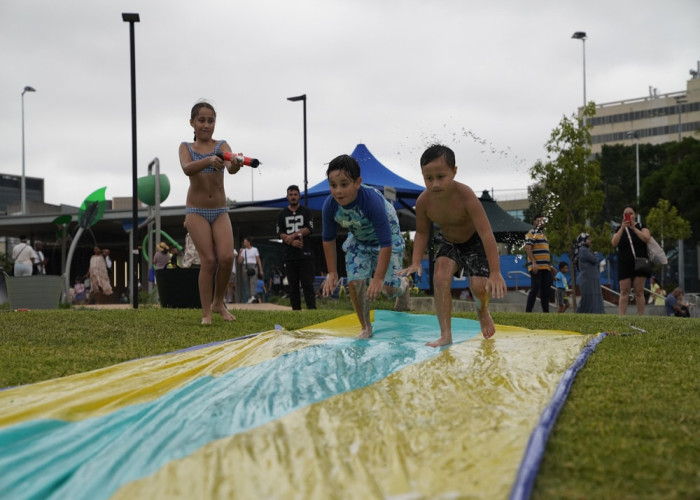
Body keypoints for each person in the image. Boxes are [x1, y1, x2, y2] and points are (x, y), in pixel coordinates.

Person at [399, 144, 506, 346]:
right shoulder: (423, 201)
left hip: (474, 240)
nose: (435, 184)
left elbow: (486, 233)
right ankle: (445, 334)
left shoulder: (465, 195)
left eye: (441, 177)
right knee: (439, 278)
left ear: (454, 171)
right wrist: (415, 261)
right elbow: (422, 232)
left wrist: (495, 272)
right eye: (428, 179)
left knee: (478, 287)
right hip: (449, 241)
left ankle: (482, 312)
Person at [321, 154, 410, 339]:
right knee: (355, 282)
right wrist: (332, 273)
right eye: (333, 185)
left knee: (388, 289)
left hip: (386, 237)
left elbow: (386, 243)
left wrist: (377, 278)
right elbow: (328, 239)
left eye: (344, 184)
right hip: (360, 239)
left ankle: (404, 285)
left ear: (357, 182)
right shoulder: (330, 206)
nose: (338, 191)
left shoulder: (371, 202)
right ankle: (365, 327)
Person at [179, 101, 242, 324]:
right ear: (192, 123)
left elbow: (231, 167)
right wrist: (208, 160)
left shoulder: (221, 145)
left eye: (211, 120)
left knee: (226, 258)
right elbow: (187, 168)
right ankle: (207, 313)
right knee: (208, 261)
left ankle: (218, 303)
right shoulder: (186, 147)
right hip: (196, 211)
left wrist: (234, 162)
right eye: (201, 120)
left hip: (219, 210)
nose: (206, 125)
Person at [276, 184, 317, 310]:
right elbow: (280, 232)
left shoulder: (306, 211)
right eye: (291, 195)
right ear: (287, 197)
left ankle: (312, 310)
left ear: (299, 196)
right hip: (289, 256)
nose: (293, 197)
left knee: (307, 285)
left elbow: (309, 229)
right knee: (292, 286)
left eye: (295, 194)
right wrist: (290, 242)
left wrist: (293, 236)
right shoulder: (282, 214)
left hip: (305, 255)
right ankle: (296, 311)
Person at [611, 205, 651, 315]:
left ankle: (640, 315)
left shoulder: (642, 226)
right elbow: (614, 243)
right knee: (624, 291)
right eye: (625, 214)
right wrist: (623, 227)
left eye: (631, 213)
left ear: (635, 215)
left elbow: (646, 238)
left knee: (639, 291)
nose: (628, 215)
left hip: (640, 261)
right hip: (624, 262)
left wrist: (634, 228)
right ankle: (621, 316)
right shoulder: (619, 229)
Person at [525, 215, 552, 313]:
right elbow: (528, 247)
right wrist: (533, 262)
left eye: (542, 220)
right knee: (535, 289)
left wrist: (550, 266)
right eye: (538, 220)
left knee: (546, 290)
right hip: (536, 266)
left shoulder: (544, 235)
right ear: (534, 222)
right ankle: (528, 311)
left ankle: (546, 312)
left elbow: (545, 252)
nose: (541, 222)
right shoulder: (532, 233)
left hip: (546, 267)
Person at [573, 233, 604, 314]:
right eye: (588, 239)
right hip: (587, 278)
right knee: (588, 298)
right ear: (583, 241)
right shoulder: (583, 250)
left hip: (590, 278)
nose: (590, 241)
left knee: (593, 297)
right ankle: (581, 314)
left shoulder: (585, 250)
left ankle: (596, 313)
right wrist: (596, 255)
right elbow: (594, 260)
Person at [238, 236, 263, 304]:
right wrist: (240, 253)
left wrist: (261, 269)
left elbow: (258, 259)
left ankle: (253, 296)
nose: (244, 243)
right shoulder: (243, 251)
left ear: (249, 242)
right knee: (247, 283)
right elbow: (239, 261)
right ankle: (250, 297)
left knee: (253, 282)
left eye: (245, 242)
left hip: (253, 266)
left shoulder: (255, 249)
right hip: (245, 266)